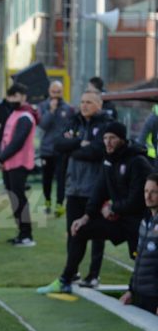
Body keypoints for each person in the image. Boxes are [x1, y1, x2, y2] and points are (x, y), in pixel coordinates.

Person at [37, 122, 153, 294]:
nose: (108, 142)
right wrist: (86, 216)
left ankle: (140, 292)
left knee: (143, 260)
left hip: (139, 222)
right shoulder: (108, 160)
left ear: (122, 139)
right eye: (105, 138)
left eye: (112, 138)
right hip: (119, 219)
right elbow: (99, 190)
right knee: (80, 229)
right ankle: (65, 280)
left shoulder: (137, 161)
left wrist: (114, 208)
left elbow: (138, 199)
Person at [52, 90, 112, 287]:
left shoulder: (105, 124)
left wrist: (73, 148)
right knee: (73, 231)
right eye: (82, 101)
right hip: (74, 187)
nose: (84, 105)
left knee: (96, 233)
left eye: (89, 102)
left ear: (99, 105)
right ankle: (73, 271)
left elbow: (97, 151)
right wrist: (79, 143)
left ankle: (94, 275)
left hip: (94, 188)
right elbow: (58, 144)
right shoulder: (74, 121)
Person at [0, 83, 39, 246]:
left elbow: (17, 142)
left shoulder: (26, 116)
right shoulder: (15, 113)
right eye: (10, 96)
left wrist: (1, 158)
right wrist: (0, 155)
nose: (13, 99)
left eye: (16, 96)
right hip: (9, 164)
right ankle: (21, 234)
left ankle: (27, 236)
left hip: (19, 163)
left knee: (19, 199)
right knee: (14, 199)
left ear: (23, 97)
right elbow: (4, 138)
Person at [120, 173, 158, 315]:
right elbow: (140, 259)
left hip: (154, 298)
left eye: (153, 192)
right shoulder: (145, 220)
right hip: (140, 294)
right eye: (146, 191)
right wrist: (131, 289)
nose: (148, 196)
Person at [37, 81, 74, 217]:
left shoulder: (69, 108)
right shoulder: (42, 106)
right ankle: (47, 201)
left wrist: (70, 134)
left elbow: (72, 125)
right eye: (54, 92)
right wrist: (51, 111)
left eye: (59, 92)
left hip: (62, 150)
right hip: (46, 149)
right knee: (46, 178)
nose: (56, 95)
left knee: (61, 178)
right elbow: (42, 125)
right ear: (49, 92)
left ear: (62, 91)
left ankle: (59, 204)